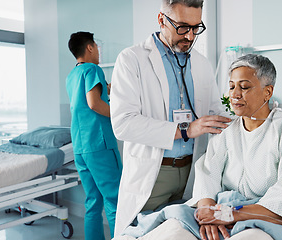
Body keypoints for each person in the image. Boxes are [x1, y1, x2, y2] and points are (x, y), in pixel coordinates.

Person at [113, 54, 282, 240]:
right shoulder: (227, 130)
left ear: (267, 92)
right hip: (222, 210)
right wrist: (206, 209)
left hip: (269, 215)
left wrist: (230, 214)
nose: (235, 94)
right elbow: (207, 174)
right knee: (173, 231)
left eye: (244, 87)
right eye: (231, 87)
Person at [110, 0, 231, 237]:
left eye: (196, 28)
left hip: (192, 172)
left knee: (181, 234)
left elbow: (216, 112)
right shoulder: (131, 59)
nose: (190, 36)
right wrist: (186, 129)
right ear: (161, 20)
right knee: (144, 234)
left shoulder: (201, 63)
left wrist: (250, 122)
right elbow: (123, 124)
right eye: (183, 27)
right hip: (154, 174)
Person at [66, 31, 122, 240]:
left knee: (92, 202)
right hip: (99, 144)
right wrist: (120, 115)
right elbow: (93, 103)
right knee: (116, 200)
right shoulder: (93, 69)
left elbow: (84, 101)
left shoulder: (72, 75)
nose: (99, 50)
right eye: (96, 46)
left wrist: (107, 90)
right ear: (89, 47)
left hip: (80, 147)